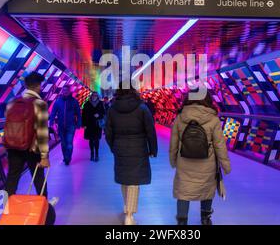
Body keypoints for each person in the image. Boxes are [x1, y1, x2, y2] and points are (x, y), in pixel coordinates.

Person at [169, 90, 231, 225]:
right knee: (207, 189)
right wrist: (226, 165)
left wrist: (173, 160)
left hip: (184, 162)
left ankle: (181, 221)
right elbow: (220, 145)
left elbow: (174, 142)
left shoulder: (180, 118)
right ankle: (205, 218)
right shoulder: (213, 119)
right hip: (207, 163)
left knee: (184, 192)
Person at [105, 84, 158, 225]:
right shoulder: (142, 108)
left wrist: (113, 146)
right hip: (138, 148)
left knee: (125, 179)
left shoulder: (112, 109)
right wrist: (153, 149)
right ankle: (129, 215)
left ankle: (127, 207)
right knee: (134, 182)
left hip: (120, 147)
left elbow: (108, 131)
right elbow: (150, 131)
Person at [5, 72, 50, 197]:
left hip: (13, 147)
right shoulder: (40, 104)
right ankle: (43, 208)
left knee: (12, 178)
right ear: (38, 86)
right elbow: (42, 131)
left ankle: (7, 208)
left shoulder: (12, 102)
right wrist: (44, 156)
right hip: (32, 148)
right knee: (38, 178)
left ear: (25, 85)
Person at [49, 84, 81, 166]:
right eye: (63, 90)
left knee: (69, 143)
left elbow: (78, 113)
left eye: (66, 90)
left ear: (69, 91)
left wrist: (78, 123)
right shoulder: (58, 101)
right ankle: (65, 156)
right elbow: (53, 112)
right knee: (63, 143)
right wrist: (51, 121)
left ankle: (68, 158)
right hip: (61, 126)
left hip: (71, 126)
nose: (65, 92)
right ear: (62, 91)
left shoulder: (74, 101)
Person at [82, 91, 105, 162]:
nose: (94, 96)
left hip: (97, 124)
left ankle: (97, 154)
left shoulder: (101, 103)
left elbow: (103, 113)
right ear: (91, 96)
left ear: (97, 96)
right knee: (91, 140)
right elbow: (83, 115)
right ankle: (92, 153)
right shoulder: (87, 104)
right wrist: (84, 124)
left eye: (96, 95)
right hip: (89, 124)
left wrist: (99, 115)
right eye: (93, 95)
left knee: (97, 139)